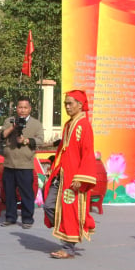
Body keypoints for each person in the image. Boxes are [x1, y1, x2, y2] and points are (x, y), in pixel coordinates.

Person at [43, 89, 97, 259]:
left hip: (74, 178)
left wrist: (81, 177)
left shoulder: (84, 126)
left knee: (70, 210)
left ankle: (68, 248)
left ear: (80, 105)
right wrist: (54, 167)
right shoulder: (69, 124)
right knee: (49, 206)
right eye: (65, 103)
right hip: (62, 175)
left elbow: (87, 153)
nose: (67, 107)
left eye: (70, 103)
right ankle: (64, 231)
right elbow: (62, 150)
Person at [0, 96, 44, 228]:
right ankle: (10, 217)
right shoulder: (9, 121)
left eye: (25, 107)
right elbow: (1, 135)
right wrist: (13, 128)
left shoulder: (36, 124)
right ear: (16, 108)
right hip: (9, 163)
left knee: (26, 193)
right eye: (20, 107)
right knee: (9, 192)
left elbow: (40, 140)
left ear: (29, 109)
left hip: (25, 164)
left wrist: (26, 140)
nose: (22, 110)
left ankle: (27, 219)